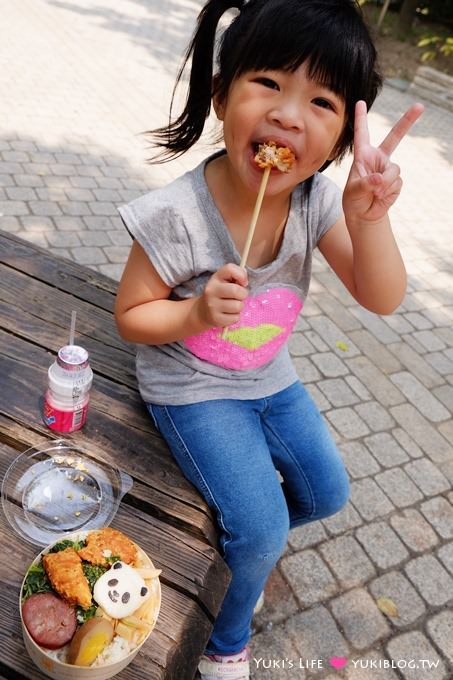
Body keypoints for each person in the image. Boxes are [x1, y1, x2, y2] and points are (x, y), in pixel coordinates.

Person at [114, 1, 424, 678]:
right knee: (261, 528)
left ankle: (238, 548)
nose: (288, 114)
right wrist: (193, 315)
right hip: (190, 386)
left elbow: (382, 298)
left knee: (325, 495)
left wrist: (368, 220)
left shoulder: (315, 201)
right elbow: (132, 314)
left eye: (320, 100)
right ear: (222, 94)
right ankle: (224, 642)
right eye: (268, 83)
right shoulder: (174, 216)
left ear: (340, 138)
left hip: (267, 376)